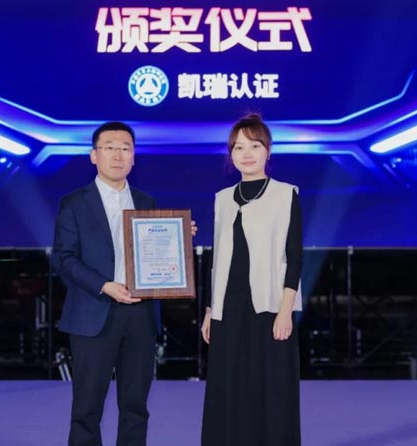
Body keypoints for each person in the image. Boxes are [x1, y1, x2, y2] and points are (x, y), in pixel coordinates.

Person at [52, 121, 196, 446]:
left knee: (135, 406)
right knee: (87, 408)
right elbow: (64, 258)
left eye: (125, 148)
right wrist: (105, 285)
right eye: (110, 148)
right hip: (94, 312)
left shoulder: (146, 201)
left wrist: (178, 237)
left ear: (134, 157)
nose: (118, 155)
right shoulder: (74, 203)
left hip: (140, 316)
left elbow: (156, 252)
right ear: (94, 155)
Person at [200, 113, 303, 446]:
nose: (246, 153)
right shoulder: (222, 198)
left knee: (272, 388)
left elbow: (295, 257)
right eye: (239, 147)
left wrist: (286, 311)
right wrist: (210, 310)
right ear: (231, 154)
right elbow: (218, 259)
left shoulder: (286, 194)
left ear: (267, 151)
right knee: (228, 387)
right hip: (228, 309)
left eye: (254, 146)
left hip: (269, 307)